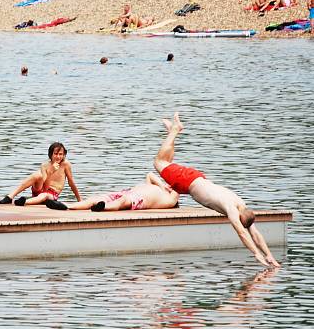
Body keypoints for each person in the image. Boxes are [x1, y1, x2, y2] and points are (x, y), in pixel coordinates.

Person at [153, 113, 280, 268]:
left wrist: (269, 255)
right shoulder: (232, 209)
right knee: (160, 162)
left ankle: (172, 133)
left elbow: (254, 233)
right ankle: (174, 130)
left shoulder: (242, 206)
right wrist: (256, 255)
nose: (238, 223)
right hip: (188, 182)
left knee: (167, 162)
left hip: (197, 179)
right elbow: (242, 233)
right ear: (240, 216)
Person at [0, 142, 81, 208]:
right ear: (50, 154)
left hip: (51, 194)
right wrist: (51, 171)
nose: (58, 157)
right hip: (41, 189)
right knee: (37, 175)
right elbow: (44, 187)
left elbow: (71, 183)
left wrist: (79, 200)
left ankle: (24, 201)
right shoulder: (44, 165)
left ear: (64, 155)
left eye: (60, 154)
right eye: (55, 154)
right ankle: (10, 196)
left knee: (44, 195)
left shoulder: (66, 165)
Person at [64, 173, 179, 212]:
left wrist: (169, 189)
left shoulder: (168, 201)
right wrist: (163, 186)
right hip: (127, 192)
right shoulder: (158, 187)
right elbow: (150, 174)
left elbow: (178, 187)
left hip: (138, 200)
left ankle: (103, 208)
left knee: (122, 201)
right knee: (96, 198)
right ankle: (67, 206)